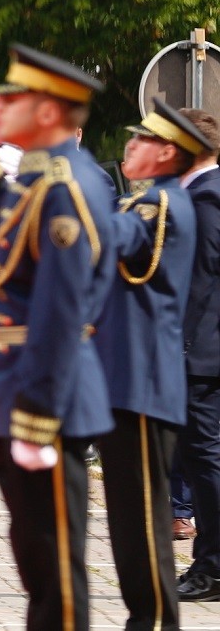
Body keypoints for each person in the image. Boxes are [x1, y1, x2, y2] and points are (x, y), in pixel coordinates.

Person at [0, 45, 117, 631]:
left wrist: (35, 414)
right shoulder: (37, 177)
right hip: (17, 390)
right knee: (34, 562)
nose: (5, 106)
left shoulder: (69, 188)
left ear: (48, 112)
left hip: (47, 402)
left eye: (18, 98)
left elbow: (59, 311)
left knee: (57, 573)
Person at [95, 96, 200, 631]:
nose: (130, 146)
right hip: (132, 379)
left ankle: (155, 621)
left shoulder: (156, 206)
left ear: (165, 153)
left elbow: (109, 237)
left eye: (141, 140)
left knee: (141, 519)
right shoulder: (153, 200)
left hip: (140, 381)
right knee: (131, 518)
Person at [177, 106, 220, 601]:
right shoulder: (196, 194)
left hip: (199, 355)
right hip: (197, 352)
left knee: (203, 461)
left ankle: (211, 565)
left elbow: (203, 285)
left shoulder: (207, 198)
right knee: (198, 459)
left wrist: (181, 345)